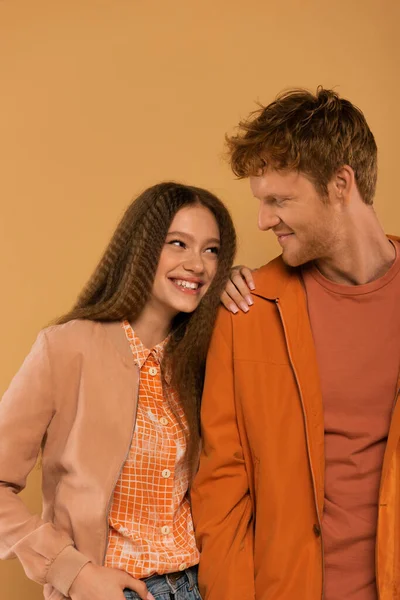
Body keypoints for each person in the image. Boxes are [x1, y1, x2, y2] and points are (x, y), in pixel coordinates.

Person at [191, 88, 400, 600]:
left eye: (279, 200)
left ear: (341, 184)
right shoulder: (247, 310)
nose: (263, 220)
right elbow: (222, 489)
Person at [0, 181, 236, 600]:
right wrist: (75, 573)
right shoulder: (67, 347)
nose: (197, 264)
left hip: (198, 586)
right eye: (178, 243)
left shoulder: (206, 356)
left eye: (211, 250)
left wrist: (244, 284)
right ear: (141, 248)